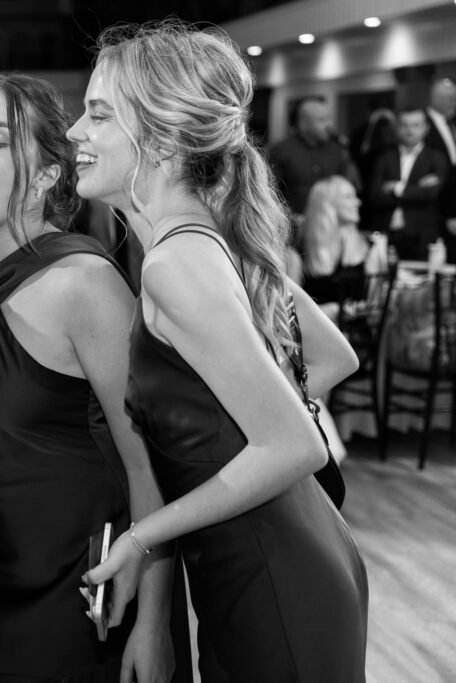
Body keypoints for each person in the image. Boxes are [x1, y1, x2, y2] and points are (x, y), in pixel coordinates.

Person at [66, 22, 368, 682]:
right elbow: (335, 356)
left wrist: (145, 534)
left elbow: (294, 444)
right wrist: (228, 436)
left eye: (96, 114)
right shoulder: (205, 242)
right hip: (286, 552)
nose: (73, 134)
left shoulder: (176, 263)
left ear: (163, 137)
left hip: (273, 573)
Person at [0, 73, 189, 683]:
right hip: (7, 582)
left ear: (45, 176)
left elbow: (150, 464)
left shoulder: (84, 284)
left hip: (96, 592)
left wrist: (154, 621)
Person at [369, 106, 449, 260]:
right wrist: (417, 190)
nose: (409, 130)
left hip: (421, 234)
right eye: (404, 125)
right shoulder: (384, 158)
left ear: (426, 128)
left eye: (416, 125)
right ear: (397, 128)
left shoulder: (436, 158)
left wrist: (396, 188)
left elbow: (431, 194)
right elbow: (376, 195)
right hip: (387, 232)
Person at [269, 95, 359, 225]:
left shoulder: (337, 151)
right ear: (304, 124)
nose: (329, 125)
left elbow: (346, 187)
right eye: (321, 120)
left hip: (331, 226)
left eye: (329, 119)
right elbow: (271, 192)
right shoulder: (281, 151)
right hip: (292, 228)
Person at [301, 175, 369, 304]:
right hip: (316, 323)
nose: (358, 202)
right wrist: (328, 312)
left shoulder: (367, 247)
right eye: (349, 197)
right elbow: (290, 310)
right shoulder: (299, 253)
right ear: (327, 203)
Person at [423, 78, 456, 260]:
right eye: (450, 98)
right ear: (435, 98)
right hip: (434, 209)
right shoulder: (422, 125)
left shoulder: (451, 123)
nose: (454, 102)